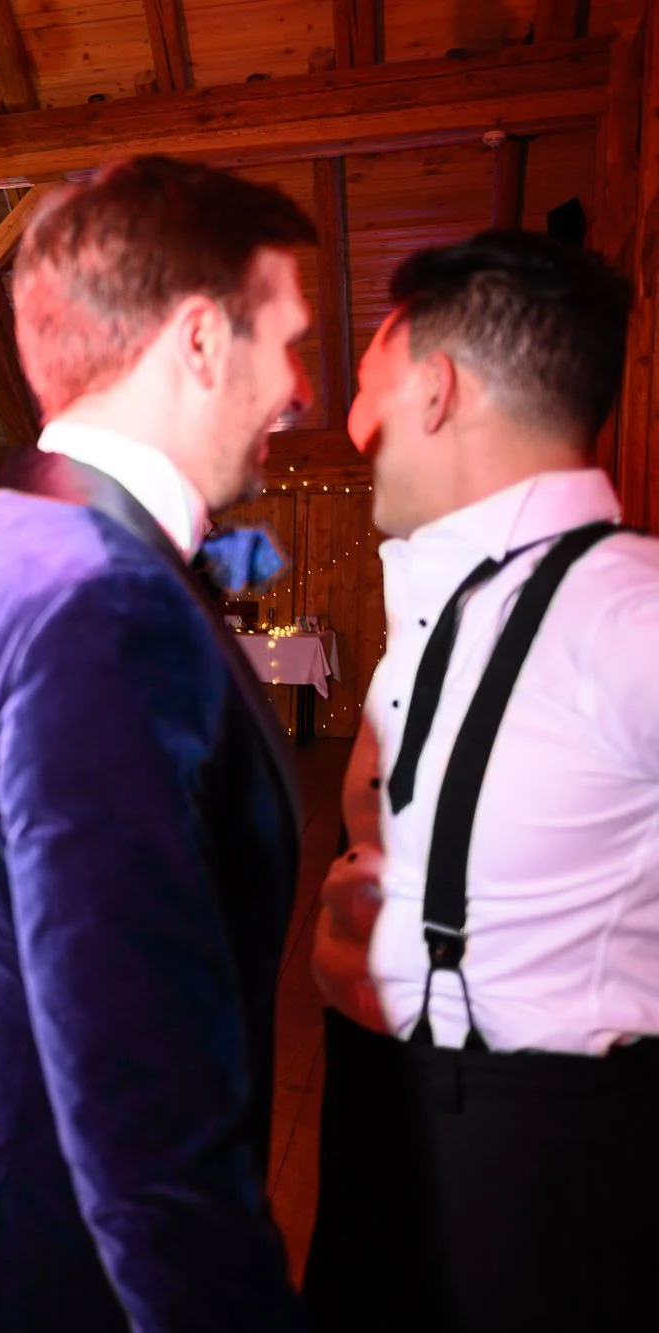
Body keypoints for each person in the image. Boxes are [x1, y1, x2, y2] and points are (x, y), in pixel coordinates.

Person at [0, 157, 317, 1331]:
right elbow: (136, 1095)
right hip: (39, 1264)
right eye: (285, 340)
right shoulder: (99, 600)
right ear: (200, 340)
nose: (299, 391)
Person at [304, 233, 659, 1332]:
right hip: (394, 1125)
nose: (357, 430)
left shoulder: (623, 617)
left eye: (366, 393)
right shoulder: (443, 610)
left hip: (546, 1172)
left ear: (435, 387)